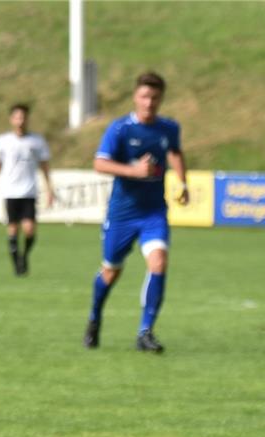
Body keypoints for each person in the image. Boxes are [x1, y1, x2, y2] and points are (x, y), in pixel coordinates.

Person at [83, 72, 189, 353]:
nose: (149, 102)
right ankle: (94, 317)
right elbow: (99, 164)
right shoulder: (120, 129)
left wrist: (183, 181)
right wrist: (134, 171)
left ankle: (146, 332)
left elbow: (175, 152)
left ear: (161, 99)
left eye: (155, 97)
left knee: (159, 263)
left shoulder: (168, 128)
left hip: (154, 213)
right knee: (111, 271)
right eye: (144, 96)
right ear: (135, 97)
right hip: (122, 215)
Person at [0, 103, 54, 276]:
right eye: (17, 117)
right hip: (10, 191)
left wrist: (50, 188)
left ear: (27, 119)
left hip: (29, 191)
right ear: (11, 119)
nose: (20, 120)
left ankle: (24, 255)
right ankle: (17, 264)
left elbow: (44, 166)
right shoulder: (3, 141)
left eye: (23, 117)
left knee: (30, 229)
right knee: (13, 229)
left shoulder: (36, 141)